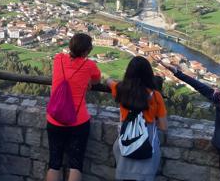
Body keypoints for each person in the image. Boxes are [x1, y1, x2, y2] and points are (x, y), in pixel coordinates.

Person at [46, 33, 101, 181]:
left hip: (55, 119)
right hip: (78, 121)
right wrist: (87, 81)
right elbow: (96, 80)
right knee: (75, 165)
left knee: (54, 163)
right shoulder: (90, 65)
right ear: (85, 52)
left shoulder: (58, 59)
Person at [107, 56, 168, 181]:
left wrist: (108, 79)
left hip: (126, 143)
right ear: (148, 74)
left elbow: (108, 81)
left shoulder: (120, 89)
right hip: (147, 146)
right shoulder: (155, 96)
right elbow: (163, 126)